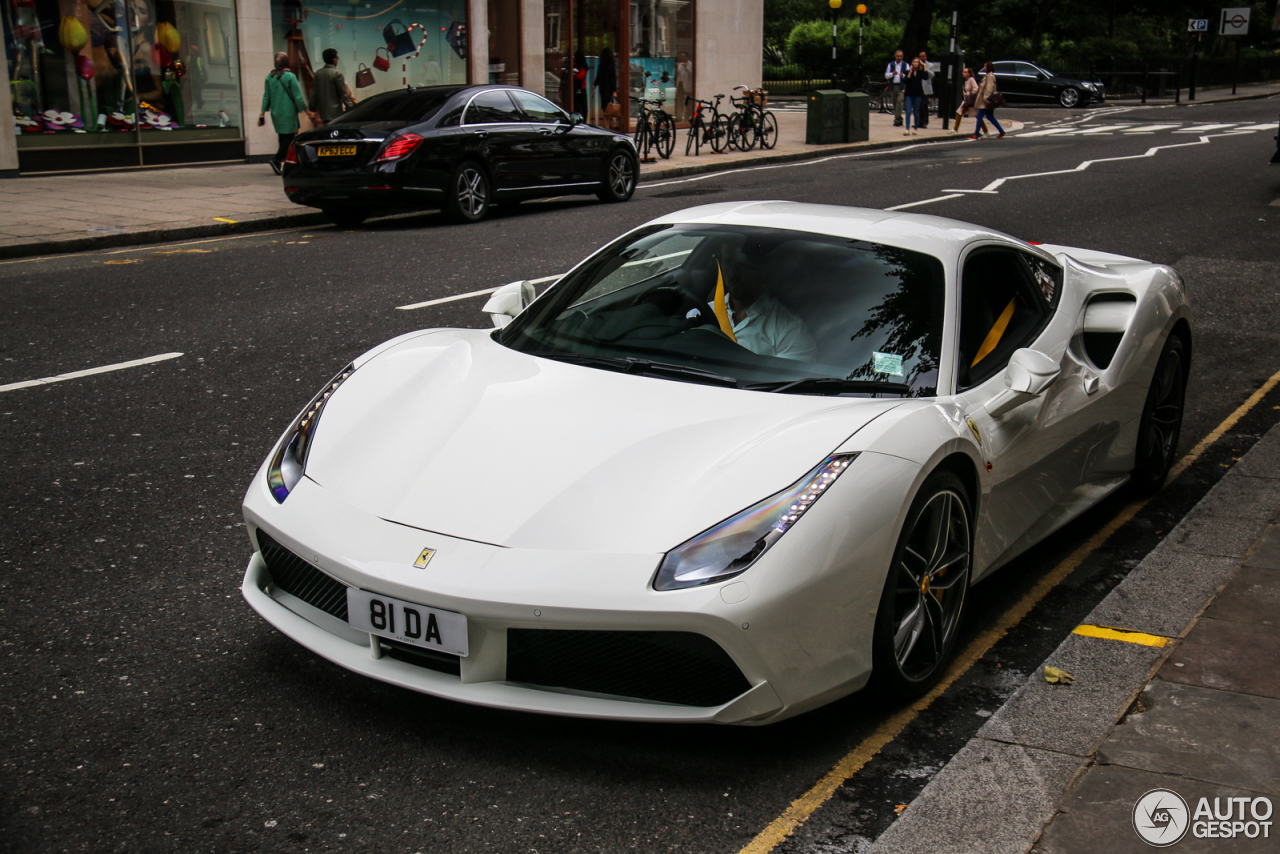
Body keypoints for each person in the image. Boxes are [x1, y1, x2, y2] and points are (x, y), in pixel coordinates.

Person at [717, 253, 817, 362]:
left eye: (742, 264)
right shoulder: (705, 312)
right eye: (727, 262)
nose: (732, 273)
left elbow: (793, 378)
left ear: (761, 269)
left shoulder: (790, 330)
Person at [259, 52, 308, 174]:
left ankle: (283, 164)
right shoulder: (290, 77)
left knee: (282, 138)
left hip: (276, 113)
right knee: (289, 138)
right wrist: (308, 112)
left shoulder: (269, 77)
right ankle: (276, 160)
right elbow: (298, 97)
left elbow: (266, 97)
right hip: (288, 112)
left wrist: (261, 114)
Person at [308, 48, 355, 126]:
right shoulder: (337, 74)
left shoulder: (317, 74)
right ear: (334, 60)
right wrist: (350, 108)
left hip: (323, 112)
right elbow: (343, 93)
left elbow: (314, 94)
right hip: (335, 112)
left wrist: (312, 109)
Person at [970, 62, 1006, 140]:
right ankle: (1001, 131)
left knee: (979, 116)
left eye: (985, 66)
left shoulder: (989, 76)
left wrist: (986, 98)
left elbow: (989, 88)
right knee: (990, 117)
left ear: (989, 67)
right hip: (988, 100)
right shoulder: (988, 76)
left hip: (987, 100)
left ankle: (976, 134)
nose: (984, 68)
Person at [953, 67, 987, 135]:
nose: (963, 73)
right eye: (963, 72)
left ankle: (986, 131)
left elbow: (976, 89)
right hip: (967, 101)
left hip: (971, 101)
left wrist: (968, 93)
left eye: (965, 72)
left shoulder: (971, 79)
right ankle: (955, 129)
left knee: (977, 116)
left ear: (969, 74)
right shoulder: (965, 81)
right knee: (959, 113)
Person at [902, 58, 928, 136]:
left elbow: (926, 77)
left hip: (918, 94)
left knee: (916, 112)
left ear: (919, 64)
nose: (915, 63)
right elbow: (906, 81)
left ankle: (915, 128)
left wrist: (925, 67)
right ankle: (907, 129)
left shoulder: (920, 72)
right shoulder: (908, 72)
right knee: (908, 111)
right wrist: (910, 71)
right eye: (913, 61)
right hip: (909, 94)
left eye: (917, 62)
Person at [594, 47, 618, 129]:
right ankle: (610, 126)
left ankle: (606, 126)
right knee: (610, 109)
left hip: (603, 89)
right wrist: (615, 90)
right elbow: (613, 79)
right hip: (609, 90)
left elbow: (598, 77)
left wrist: (594, 86)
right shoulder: (611, 66)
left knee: (605, 110)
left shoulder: (601, 65)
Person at [884, 50, 908, 127]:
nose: (899, 57)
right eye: (897, 56)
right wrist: (892, 74)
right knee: (894, 103)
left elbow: (909, 76)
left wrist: (903, 76)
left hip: (901, 86)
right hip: (893, 86)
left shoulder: (906, 65)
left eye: (900, 56)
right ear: (895, 56)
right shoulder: (891, 64)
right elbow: (886, 75)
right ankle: (899, 118)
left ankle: (897, 120)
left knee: (899, 103)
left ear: (902, 57)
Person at [917, 51, 935, 129]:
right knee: (918, 106)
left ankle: (925, 122)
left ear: (926, 57)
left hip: (925, 89)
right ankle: (919, 122)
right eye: (920, 56)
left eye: (923, 56)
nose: (922, 58)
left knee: (924, 105)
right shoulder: (917, 65)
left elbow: (932, 75)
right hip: (918, 87)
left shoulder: (930, 65)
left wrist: (925, 68)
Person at [675, 51, 693, 122]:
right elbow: (678, 75)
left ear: (687, 57)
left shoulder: (691, 64)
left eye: (683, 56)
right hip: (680, 85)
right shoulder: (680, 65)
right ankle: (679, 116)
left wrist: (686, 67)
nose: (682, 58)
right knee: (679, 102)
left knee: (687, 103)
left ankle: (686, 117)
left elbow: (692, 74)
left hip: (687, 85)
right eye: (681, 56)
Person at [572, 50, 588, 117]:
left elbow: (580, 76)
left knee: (584, 107)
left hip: (582, 88)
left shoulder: (583, 67)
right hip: (574, 88)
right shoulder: (574, 66)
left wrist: (574, 74)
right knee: (576, 107)